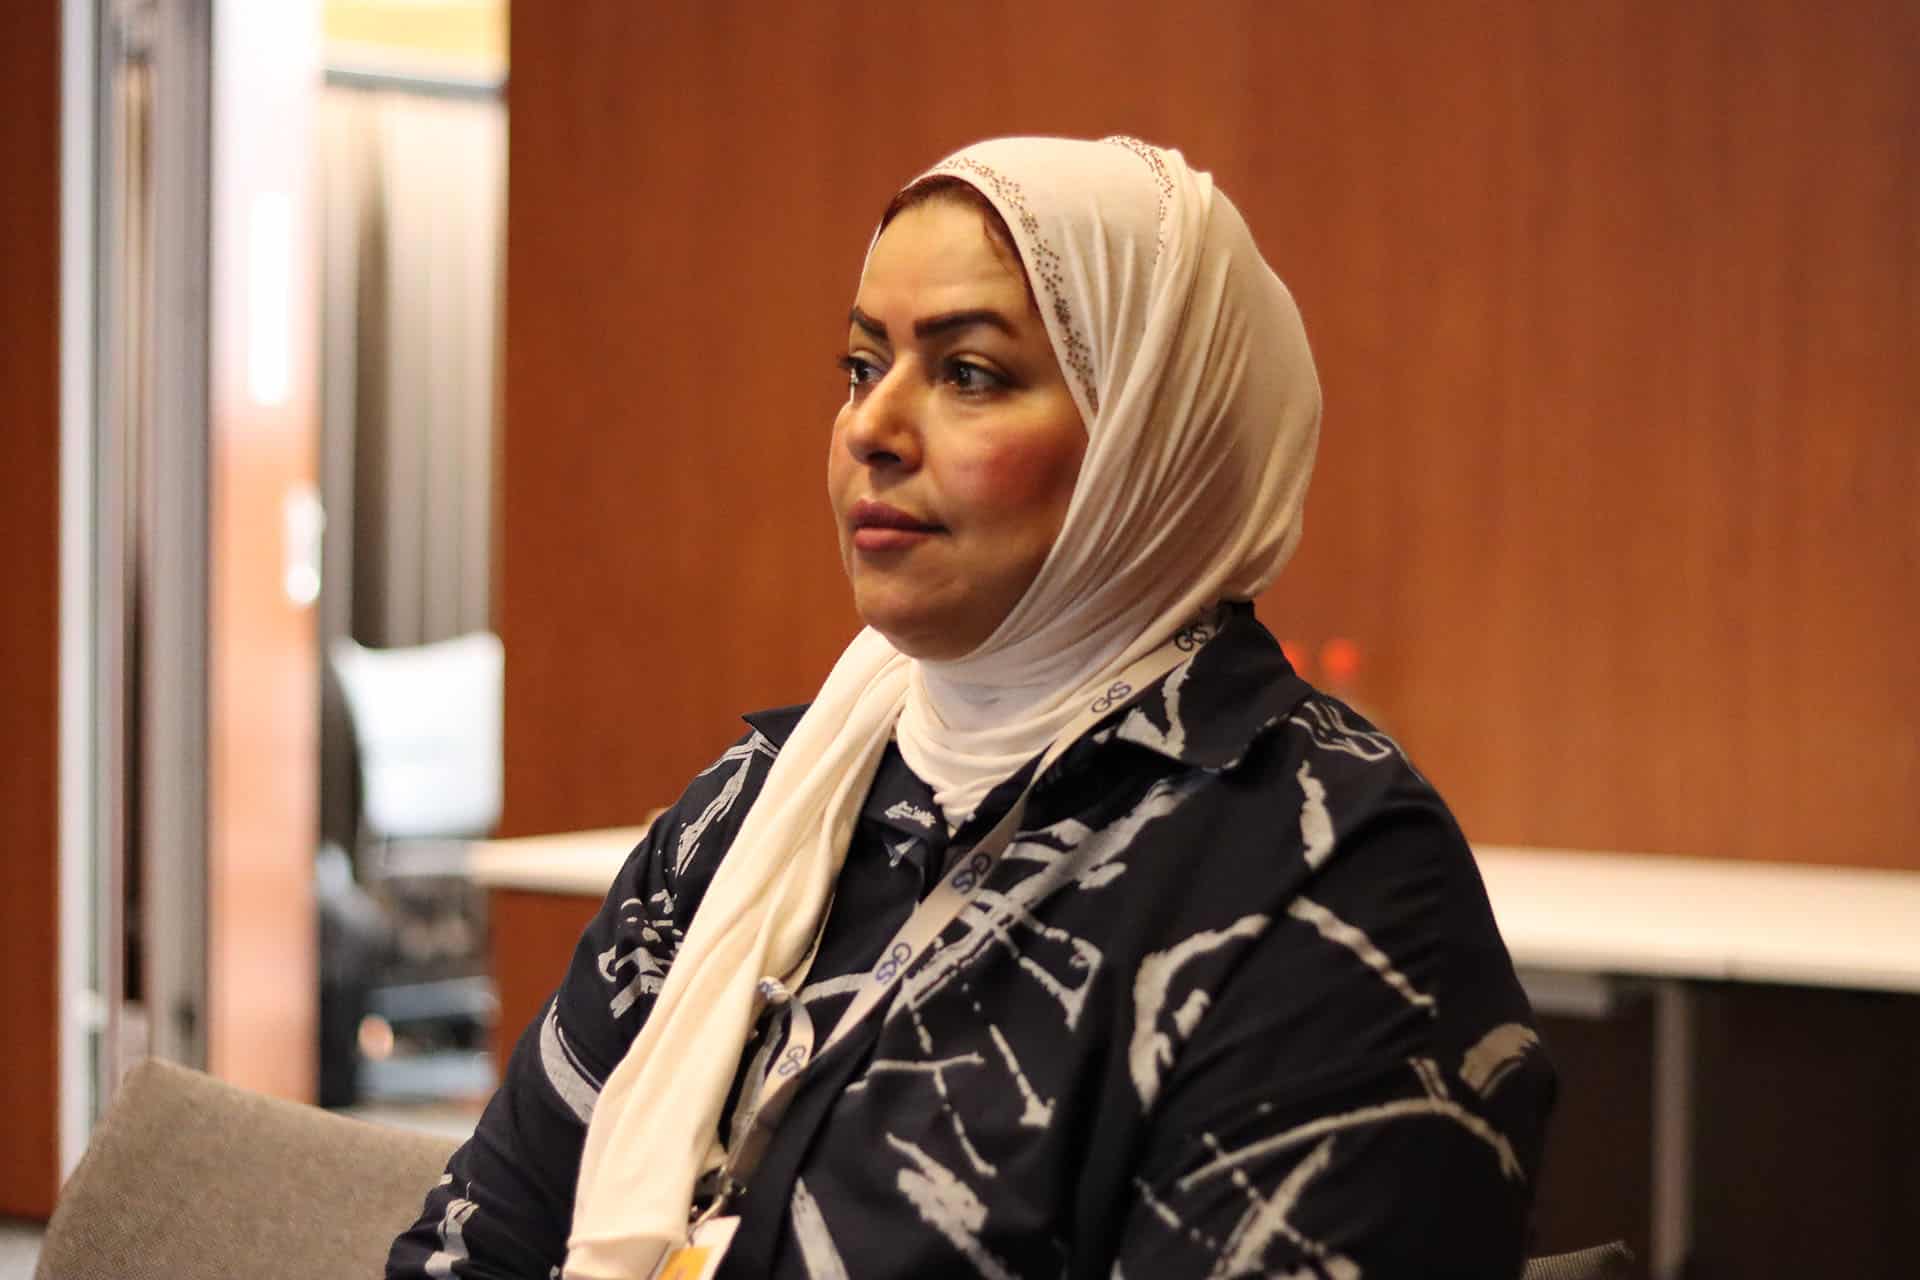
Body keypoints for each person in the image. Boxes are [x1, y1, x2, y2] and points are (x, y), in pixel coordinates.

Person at [388, 136, 1555, 1280]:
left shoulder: (1331, 870)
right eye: (862, 366)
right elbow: (475, 1242)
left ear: (1152, 436)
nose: (869, 428)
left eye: (969, 374)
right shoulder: (756, 802)